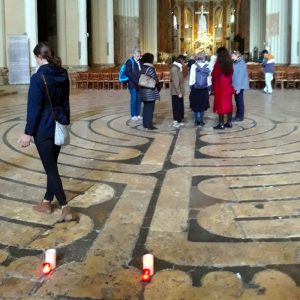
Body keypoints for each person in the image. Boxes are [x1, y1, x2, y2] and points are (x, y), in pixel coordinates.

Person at [18, 42, 72, 222]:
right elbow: (66, 101)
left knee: (50, 169)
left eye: (36, 57)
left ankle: (65, 207)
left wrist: (27, 132)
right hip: (58, 124)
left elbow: (34, 108)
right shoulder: (63, 73)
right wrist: (65, 120)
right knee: (52, 166)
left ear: (39, 57)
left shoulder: (38, 78)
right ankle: (47, 201)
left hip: (42, 128)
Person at [212, 47, 234, 129]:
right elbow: (232, 74)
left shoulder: (218, 63)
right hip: (228, 85)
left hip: (220, 85)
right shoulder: (230, 62)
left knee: (220, 104)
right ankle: (229, 122)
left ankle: (221, 124)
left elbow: (214, 74)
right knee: (228, 103)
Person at [139, 53, 160, 130]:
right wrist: (158, 86)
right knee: (150, 108)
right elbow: (155, 79)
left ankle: (145, 124)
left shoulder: (143, 67)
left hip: (143, 90)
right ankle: (149, 125)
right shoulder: (150, 68)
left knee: (145, 108)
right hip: (150, 91)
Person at [189, 52, 210, 126]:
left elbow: (191, 77)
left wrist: (191, 87)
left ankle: (195, 121)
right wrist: (209, 88)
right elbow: (208, 78)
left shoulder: (194, 66)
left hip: (195, 88)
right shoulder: (207, 66)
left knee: (195, 105)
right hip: (204, 88)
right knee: (202, 105)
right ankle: (201, 121)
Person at [231, 50, 249, 121]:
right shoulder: (235, 62)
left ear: (237, 55)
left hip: (239, 86)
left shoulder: (241, 63)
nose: (232, 57)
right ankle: (237, 115)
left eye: (232, 56)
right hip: (235, 85)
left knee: (239, 101)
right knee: (237, 100)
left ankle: (240, 116)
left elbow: (240, 77)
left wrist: (238, 88)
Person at [125, 48, 142, 120]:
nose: (139, 57)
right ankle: (133, 115)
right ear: (134, 55)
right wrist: (136, 81)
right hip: (133, 84)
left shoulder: (140, 62)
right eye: (137, 56)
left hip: (140, 84)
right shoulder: (129, 62)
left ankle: (138, 114)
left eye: (139, 56)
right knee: (134, 99)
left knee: (139, 99)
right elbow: (128, 73)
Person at [170, 55, 185, 128]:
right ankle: (176, 121)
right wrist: (179, 92)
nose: (184, 63)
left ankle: (178, 120)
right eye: (183, 61)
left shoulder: (178, 68)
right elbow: (176, 82)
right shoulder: (175, 69)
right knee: (176, 106)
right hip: (176, 92)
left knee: (179, 106)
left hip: (179, 91)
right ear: (181, 61)